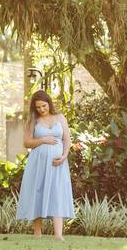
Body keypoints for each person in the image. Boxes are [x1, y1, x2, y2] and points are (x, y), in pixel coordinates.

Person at [15, 89, 75, 240]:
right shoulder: (33, 121)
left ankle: (58, 235)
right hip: (38, 164)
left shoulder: (60, 117)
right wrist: (43, 140)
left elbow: (67, 139)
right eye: (38, 107)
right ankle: (37, 233)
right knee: (38, 192)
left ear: (49, 103)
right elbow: (27, 142)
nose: (41, 109)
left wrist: (64, 156)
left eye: (44, 105)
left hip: (58, 164)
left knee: (57, 193)